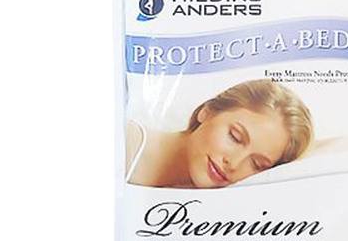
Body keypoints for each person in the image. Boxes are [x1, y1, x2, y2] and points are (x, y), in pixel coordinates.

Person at [126, 79, 313, 187]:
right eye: (235, 137)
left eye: (257, 164)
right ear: (207, 112)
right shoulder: (124, 143)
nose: (234, 164)